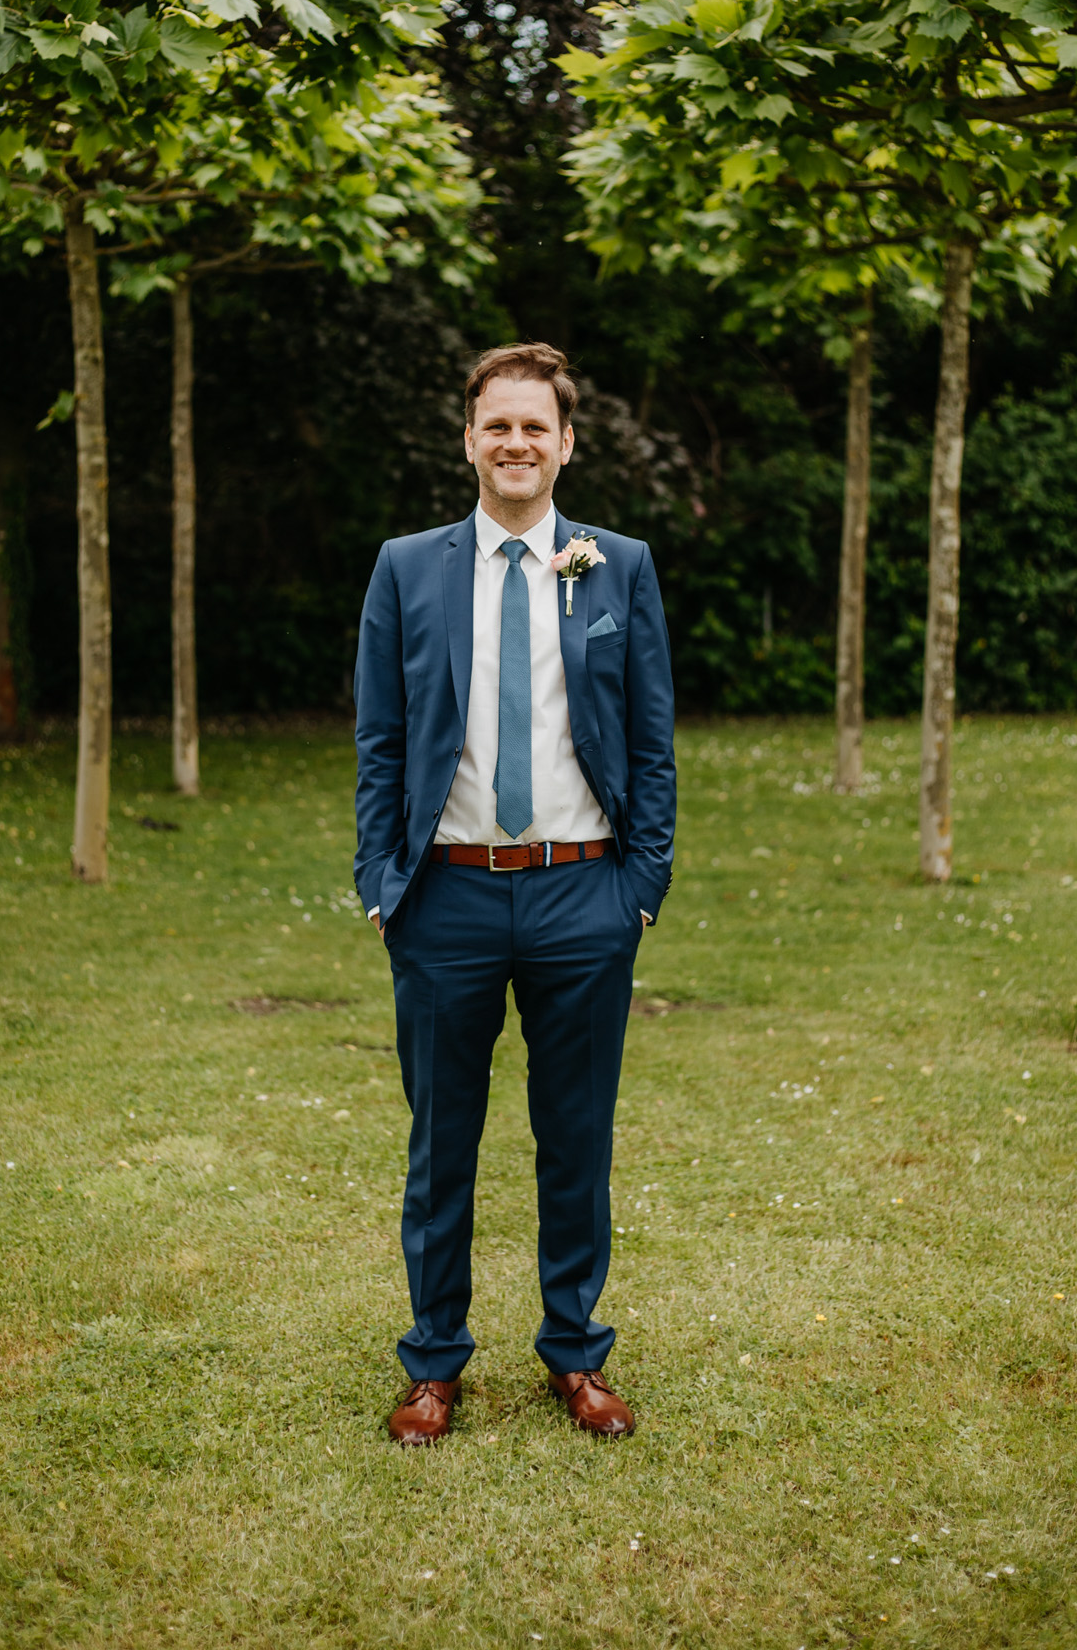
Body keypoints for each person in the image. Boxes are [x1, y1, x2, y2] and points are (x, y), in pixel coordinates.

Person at [353, 342, 676, 1446]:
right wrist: (381, 883)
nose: (516, 442)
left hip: (583, 896)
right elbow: (380, 740)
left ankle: (575, 1352)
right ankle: (432, 1362)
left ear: (566, 442)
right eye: (497, 424)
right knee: (440, 1143)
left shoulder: (615, 566)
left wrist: (641, 886)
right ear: (469, 439)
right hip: (443, 897)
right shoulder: (407, 568)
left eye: (535, 425)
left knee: (575, 1138)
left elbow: (651, 738)